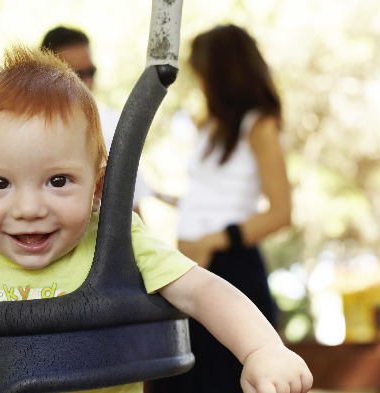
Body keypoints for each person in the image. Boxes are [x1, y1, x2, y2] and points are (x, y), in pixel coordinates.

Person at [0, 43, 312, 393]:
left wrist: (262, 349)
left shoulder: (116, 242)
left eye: (57, 181)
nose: (29, 209)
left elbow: (204, 291)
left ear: (98, 188)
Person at [149, 25, 293, 393]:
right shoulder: (212, 127)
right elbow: (211, 197)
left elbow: (280, 212)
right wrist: (160, 196)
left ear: (221, 71)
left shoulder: (259, 125)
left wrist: (213, 241)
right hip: (194, 268)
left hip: (232, 270)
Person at [40, 26, 154, 211]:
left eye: (91, 72)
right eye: (75, 75)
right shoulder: (23, 127)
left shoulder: (112, 124)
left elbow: (131, 209)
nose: (86, 82)